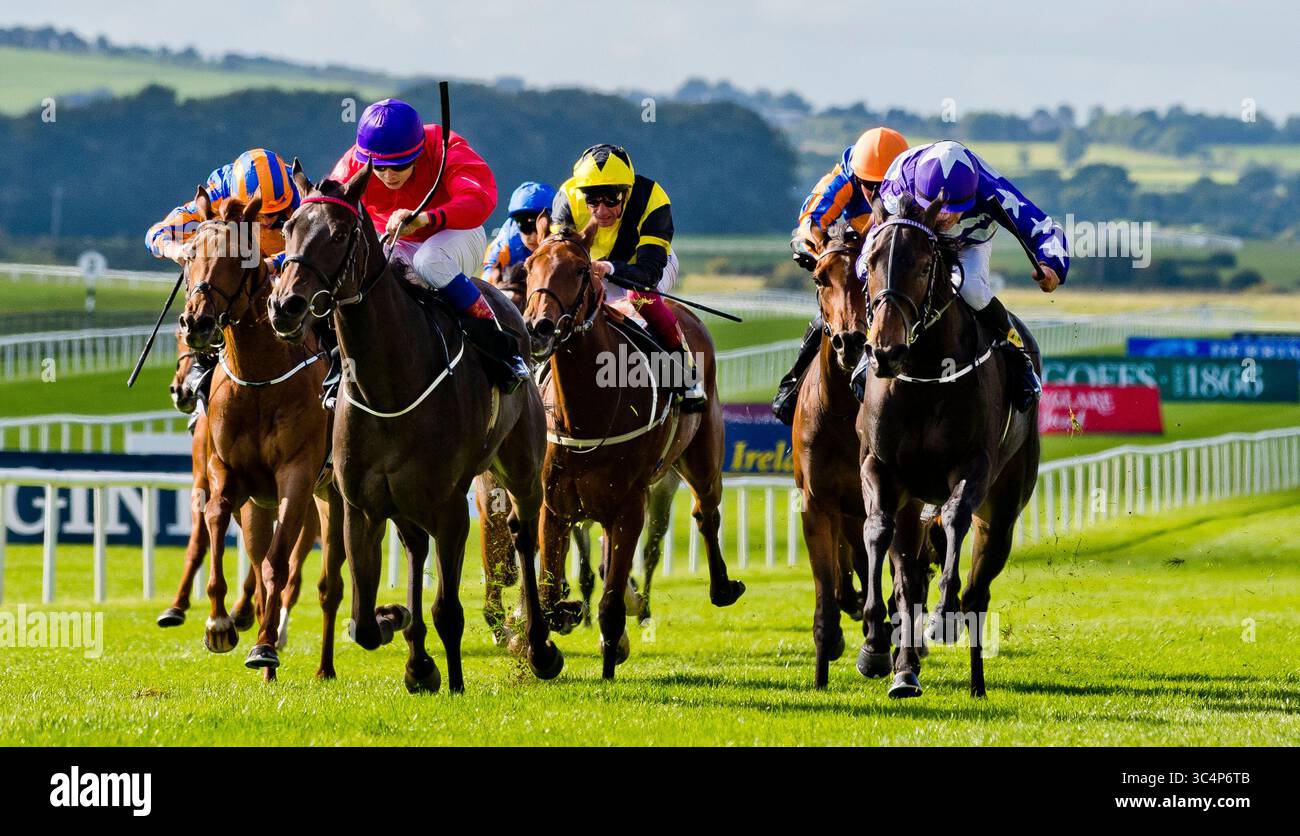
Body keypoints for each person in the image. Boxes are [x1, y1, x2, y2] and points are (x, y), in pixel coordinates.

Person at [328, 98, 529, 393]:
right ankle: (340, 362)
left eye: (399, 165)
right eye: (380, 168)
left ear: (418, 152)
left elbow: (481, 200)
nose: (388, 175)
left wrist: (424, 219)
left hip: (459, 233)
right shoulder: (353, 164)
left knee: (429, 260)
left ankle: (502, 348)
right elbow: (329, 207)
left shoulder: (446, 148)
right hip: (398, 240)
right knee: (363, 272)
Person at [851, 139, 1066, 412]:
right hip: (914, 235)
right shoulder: (899, 179)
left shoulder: (991, 189)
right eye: (937, 208)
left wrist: (1052, 264)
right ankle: (867, 351)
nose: (944, 218)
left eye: (953, 210)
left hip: (969, 241)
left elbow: (1043, 226)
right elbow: (876, 242)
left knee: (971, 287)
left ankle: (1016, 354)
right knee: (884, 276)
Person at [147, 148, 314, 411]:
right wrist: (177, 250)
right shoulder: (218, 194)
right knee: (208, 291)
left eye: (277, 213)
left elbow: (309, 247)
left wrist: (273, 263)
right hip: (231, 271)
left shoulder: (298, 195)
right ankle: (197, 371)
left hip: (283, 266)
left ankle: (335, 371)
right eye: (262, 215)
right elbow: (156, 233)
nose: (270, 220)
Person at [551, 143, 706, 411]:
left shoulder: (653, 199)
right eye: (592, 200)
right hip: (593, 268)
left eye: (611, 199)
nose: (601, 211)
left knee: (640, 296)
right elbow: (559, 258)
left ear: (626, 192)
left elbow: (648, 273)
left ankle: (685, 374)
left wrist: (610, 269)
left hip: (646, 266)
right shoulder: (566, 198)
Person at [771, 127, 910, 424]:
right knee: (833, 314)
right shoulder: (843, 178)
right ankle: (794, 384)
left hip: (893, 266)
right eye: (869, 184)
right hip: (855, 253)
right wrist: (811, 246)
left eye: (884, 184)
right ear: (857, 175)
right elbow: (812, 220)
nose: (876, 193)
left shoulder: (914, 183)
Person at [482, 181, 557, 283]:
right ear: (515, 223)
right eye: (525, 226)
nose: (534, 236)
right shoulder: (506, 243)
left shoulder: (560, 236)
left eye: (541, 225)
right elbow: (487, 280)